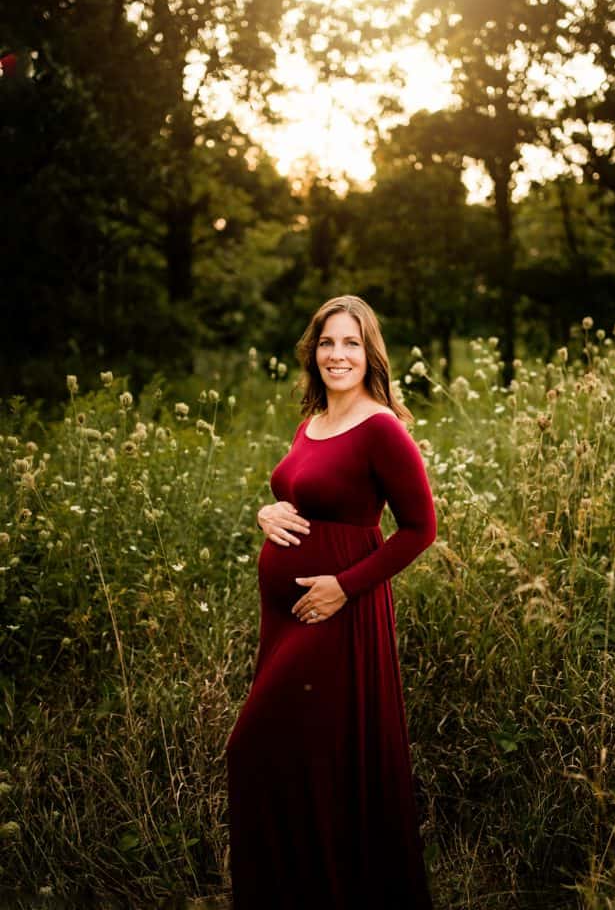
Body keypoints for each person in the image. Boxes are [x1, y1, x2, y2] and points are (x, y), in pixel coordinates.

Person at [226, 294, 437, 910]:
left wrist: (343, 586)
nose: (337, 355)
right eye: (326, 343)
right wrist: (267, 511)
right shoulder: (311, 422)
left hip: (337, 615)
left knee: (255, 747)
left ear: (369, 353)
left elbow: (420, 529)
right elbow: (298, 494)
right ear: (312, 351)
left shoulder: (382, 429)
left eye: (350, 343)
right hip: (285, 620)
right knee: (303, 756)